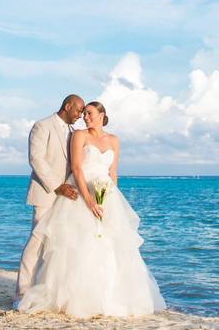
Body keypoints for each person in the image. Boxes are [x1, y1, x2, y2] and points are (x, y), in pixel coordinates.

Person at [17, 101, 166, 318]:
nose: (85, 117)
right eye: (83, 112)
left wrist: (110, 200)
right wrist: (88, 200)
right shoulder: (79, 135)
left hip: (105, 195)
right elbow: (76, 168)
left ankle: (107, 297)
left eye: (89, 113)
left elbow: (113, 173)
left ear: (102, 115)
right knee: (73, 244)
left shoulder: (114, 140)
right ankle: (39, 293)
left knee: (108, 245)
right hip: (80, 192)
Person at [14, 94, 85, 304]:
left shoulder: (74, 133)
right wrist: (58, 186)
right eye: (78, 110)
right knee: (36, 243)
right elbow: (36, 159)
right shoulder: (42, 126)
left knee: (60, 246)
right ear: (67, 105)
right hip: (46, 194)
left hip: (68, 198)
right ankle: (21, 294)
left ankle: (48, 294)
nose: (80, 115)